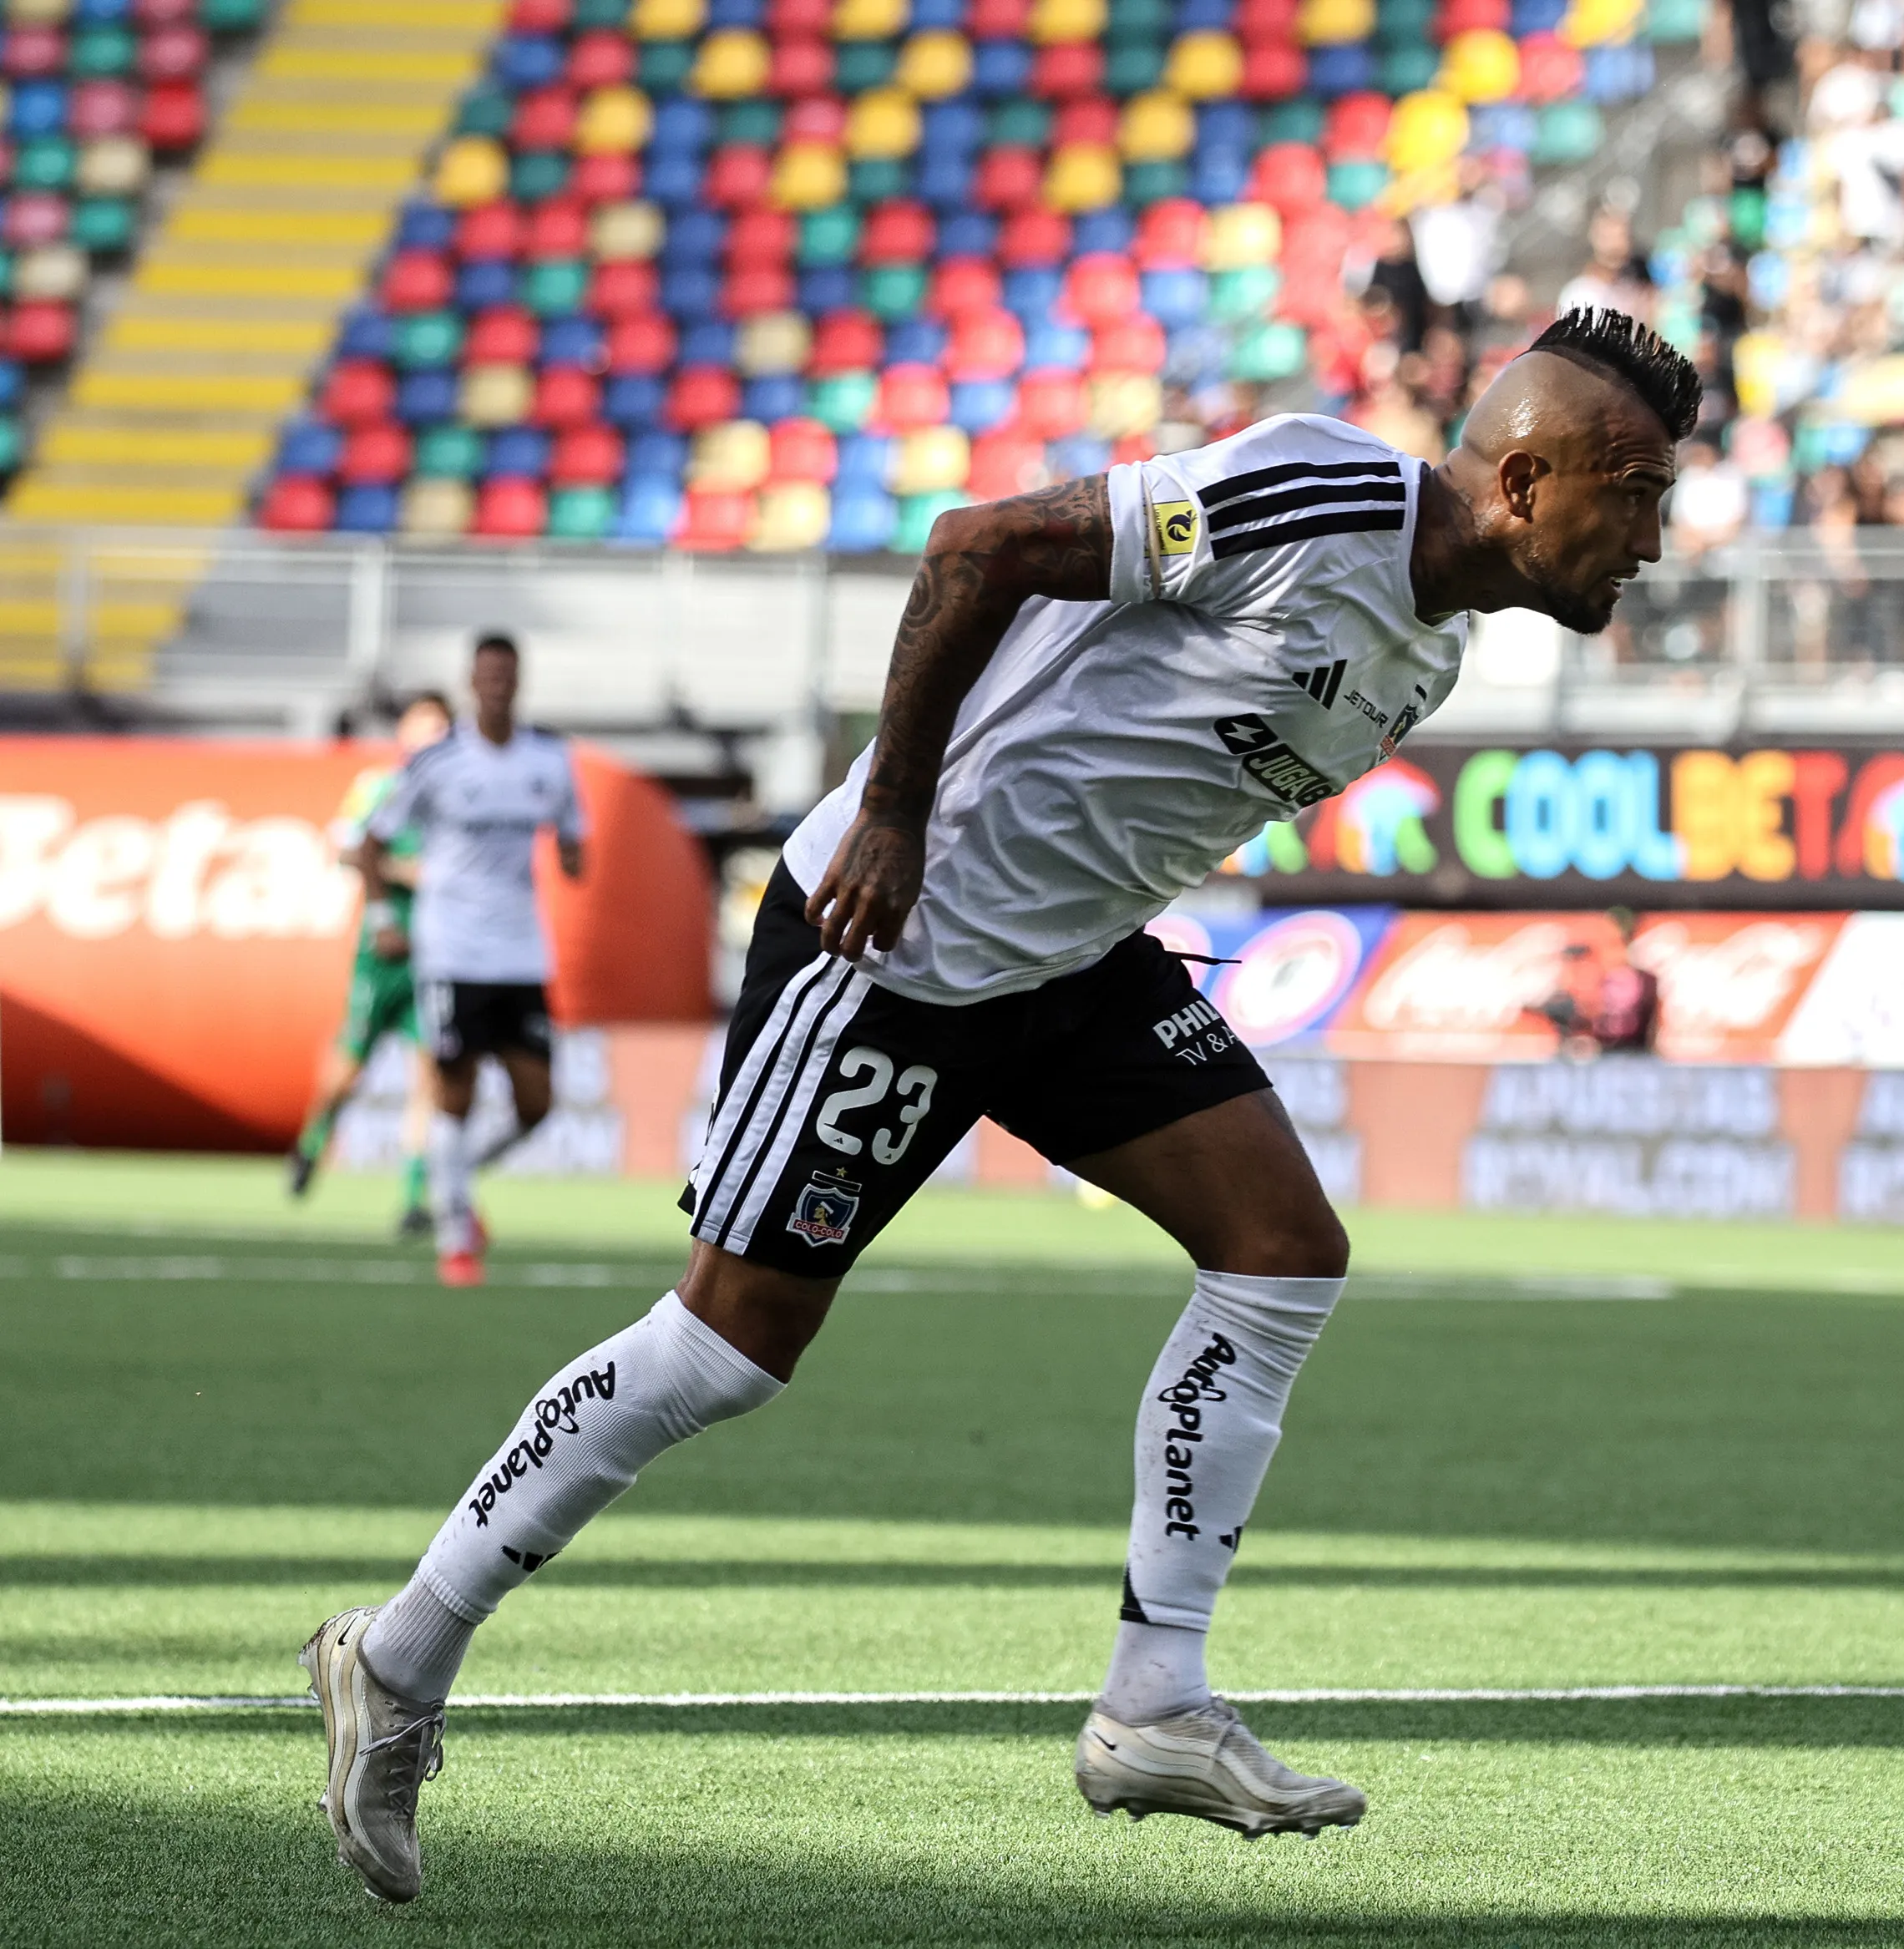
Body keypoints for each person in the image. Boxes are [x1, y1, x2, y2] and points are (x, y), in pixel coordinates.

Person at [299, 307, 1699, 1903]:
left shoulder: (1429, 652)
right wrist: (892, 804)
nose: (1653, 540)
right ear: (1523, 479)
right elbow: (979, 546)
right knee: (729, 1345)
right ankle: (395, 1653)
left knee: (1282, 1246)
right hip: (897, 936)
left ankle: (1153, 1700)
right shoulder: (1315, 497)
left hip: (1074, 964)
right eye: (1637, 493)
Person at [356, 634, 587, 1288]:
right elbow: (369, 843)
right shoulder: (437, 761)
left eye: (506, 674)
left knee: (537, 1102)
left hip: (520, 953)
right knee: (454, 1089)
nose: (497, 685)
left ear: (519, 680)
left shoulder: (550, 759)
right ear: (472, 682)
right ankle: (456, 1236)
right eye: (487, 675)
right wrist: (383, 921)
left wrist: (574, 856)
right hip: (452, 950)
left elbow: (574, 837)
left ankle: (454, 1181)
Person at [289, 691, 453, 1229]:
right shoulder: (378, 787)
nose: (430, 737)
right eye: (422, 725)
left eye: (440, 727)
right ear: (404, 731)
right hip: (381, 954)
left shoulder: (455, 796)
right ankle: (314, 1139)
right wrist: (404, 872)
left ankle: (413, 1198)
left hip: (435, 954)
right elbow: (346, 851)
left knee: (428, 1076)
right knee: (350, 1066)